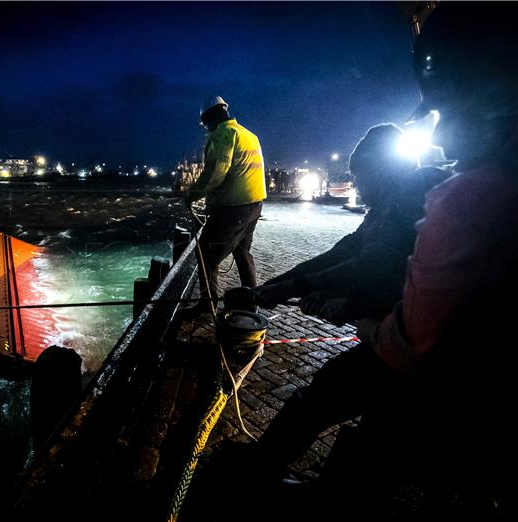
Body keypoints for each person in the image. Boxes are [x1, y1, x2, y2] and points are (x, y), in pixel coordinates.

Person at [186, 4, 518, 519]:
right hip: (458, 370)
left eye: (446, 109)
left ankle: (280, 488)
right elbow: (351, 253)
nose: (443, 126)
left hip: (456, 387)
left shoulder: (464, 198)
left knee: (332, 403)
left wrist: (351, 311)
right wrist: (278, 289)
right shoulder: (415, 193)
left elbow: (395, 311)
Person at [254, 123, 448, 325]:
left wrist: (347, 302)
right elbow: (346, 251)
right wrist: (277, 285)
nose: (356, 184)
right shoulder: (388, 205)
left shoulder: (409, 201)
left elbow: (374, 266)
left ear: (379, 172)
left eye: (358, 175)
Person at [182, 96, 267, 315]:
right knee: (242, 252)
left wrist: (192, 195)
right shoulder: (248, 135)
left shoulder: (223, 135)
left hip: (233, 207)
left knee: (206, 253)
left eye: (205, 125)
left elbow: (215, 174)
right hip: (255, 204)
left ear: (208, 119)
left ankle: (206, 305)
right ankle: (251, 301)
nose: (206, 130)